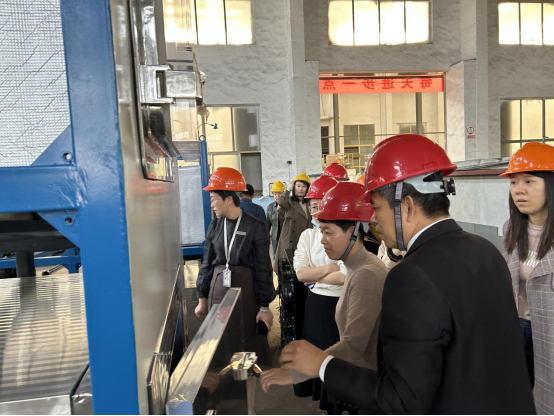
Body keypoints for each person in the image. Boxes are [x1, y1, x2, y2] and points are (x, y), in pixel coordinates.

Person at [277, 134, 536, 414]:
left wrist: (322, 365)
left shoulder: (411, 275)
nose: (374, 219)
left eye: (377, 208)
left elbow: (400, 399)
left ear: (408, 206)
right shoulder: (487, 251)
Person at [261, 182, 388, 415]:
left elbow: (354, 345)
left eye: (328, 232)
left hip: (365, 389)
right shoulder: (358, 267)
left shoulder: (366, 273)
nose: (322, 240)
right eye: (320, 231)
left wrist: (297, 372)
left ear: (353, 231)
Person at [195, 167, 275, 367]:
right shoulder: (214, 226)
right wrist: (202, 298)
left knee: (247, 342)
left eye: (214, 199)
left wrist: (264, 307)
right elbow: (206, 264)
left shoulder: (256, 226)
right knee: (220, 343)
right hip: (217, 293)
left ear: (229, 199)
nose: (211, 204)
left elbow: (263, 269)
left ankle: (247, 379)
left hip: (246, 294)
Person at [501, 142, 554, 414]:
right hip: (515, 329)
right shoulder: (511, 229)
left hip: (549, 334)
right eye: (513, 182)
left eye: (529, 181)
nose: (518, 190)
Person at [274, 172, 312, 340]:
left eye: (304, 186)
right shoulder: (289, 202)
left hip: (306, 246)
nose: (301, 189)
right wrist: (288, 188)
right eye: (298, 186)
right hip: (290, 247)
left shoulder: (310, 204)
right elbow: (280, 202)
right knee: (289, 287)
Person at [266, 181, 286, 257]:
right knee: (276, 256)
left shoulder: (288, 207)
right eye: (275, 194)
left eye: (280, 193)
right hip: (275, 238)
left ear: (283, 194)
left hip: (286, 237)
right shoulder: (270, 207)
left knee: (286, 257)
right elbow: (267, 224)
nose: (277, 196)